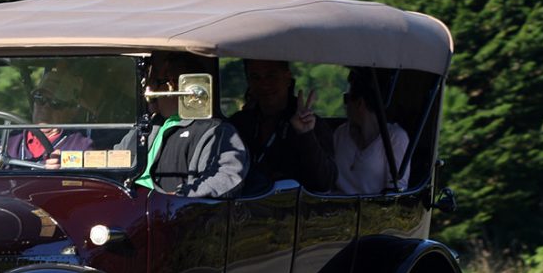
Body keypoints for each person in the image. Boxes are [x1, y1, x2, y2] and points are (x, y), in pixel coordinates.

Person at [132, 52, 247, 199]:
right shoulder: (148, 125)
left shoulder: (215, 130)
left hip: (165, 208)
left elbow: (227, 177)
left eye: (156, 82)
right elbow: (117, 158)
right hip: (126, 202)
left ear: (173, 85)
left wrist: (180, 197)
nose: (150, 89)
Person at [0, 62, 93, 170]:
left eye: (55, 103)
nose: (45, 108)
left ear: (71, 111)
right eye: (40, 99)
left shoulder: (81, 146)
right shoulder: (5, 144)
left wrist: (65, 170)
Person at [230, 59, 337, 191]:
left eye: (271, 76)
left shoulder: (311, 124)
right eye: (255, 77)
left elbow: (324, 184)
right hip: (246, 201)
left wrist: (306, 135)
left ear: (287, 78)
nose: (264, 84)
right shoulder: (239, 124)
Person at [334, 67, 410, 194]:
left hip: (372, 206)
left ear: (360, 103)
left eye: (346, 99)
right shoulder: (340, 134)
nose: (345, 106)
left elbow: (396, 191)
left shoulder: (396, 138)